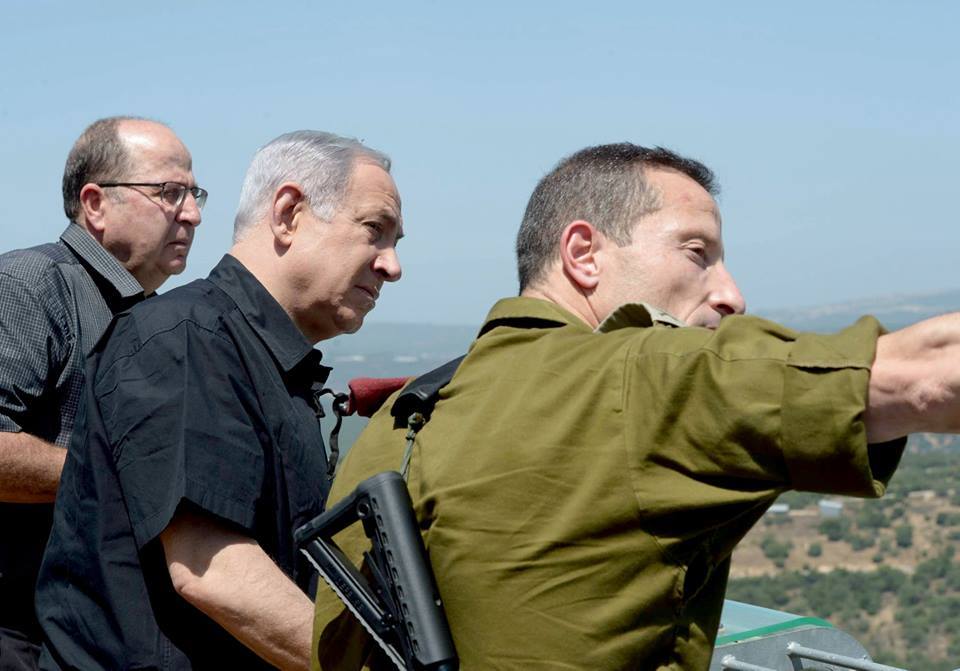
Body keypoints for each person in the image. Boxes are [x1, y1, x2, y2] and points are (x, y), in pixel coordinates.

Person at [312, 143, 960, 670]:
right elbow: (926, 379)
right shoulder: (643, 378)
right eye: (697, 253)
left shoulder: (402, 414)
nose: (731, 294)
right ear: (583, 254)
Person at [35, 131, 403, 670]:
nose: (392, 265)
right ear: (288, 213)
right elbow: (211, 569)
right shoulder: (187, 339)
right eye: (375, 230)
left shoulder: (261, 363)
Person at [0, 116, 203, 669]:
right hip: (20, 633)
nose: (192, 213)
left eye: (194, 194)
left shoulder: (153, 317)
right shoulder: (28, 286)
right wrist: (123, 480)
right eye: (169, 192)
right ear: (95, 204)